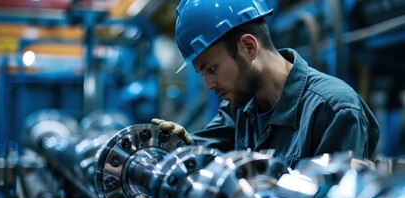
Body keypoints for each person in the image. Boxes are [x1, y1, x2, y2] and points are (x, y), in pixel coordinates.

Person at [152, 0, 380, 167]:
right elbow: (203, 149)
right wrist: (179, 146)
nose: (209, 85)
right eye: (203, 74)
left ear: (248, 47)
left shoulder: (333, 110)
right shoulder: (240, 108)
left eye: (212, 69)